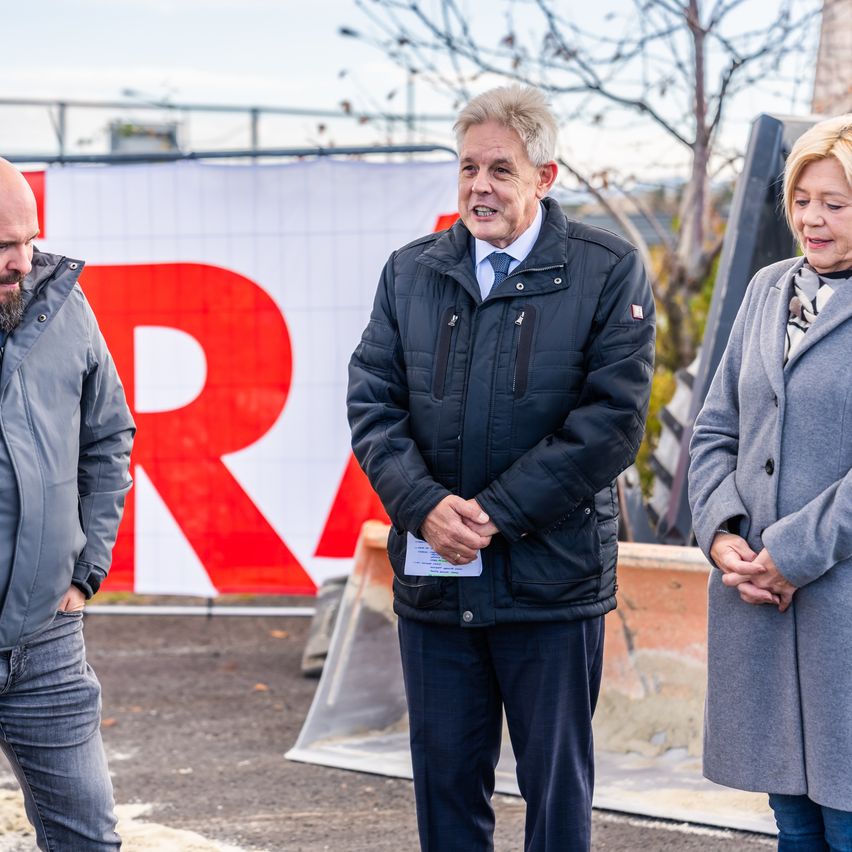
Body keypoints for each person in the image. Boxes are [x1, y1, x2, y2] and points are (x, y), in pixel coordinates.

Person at [347, 85, 655, 852]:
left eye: (501, 170)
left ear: (545, 178)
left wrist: (494, 515)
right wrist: (422, 505)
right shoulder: (409, 270)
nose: (479, 186)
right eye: (468, 168)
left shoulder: (607, 269)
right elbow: (373, 405)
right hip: (436, 582)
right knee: (446, 789)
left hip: (550, 585)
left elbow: (612, 423)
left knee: (557, 794)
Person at [689, 114, 852, 850]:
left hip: (838, 613)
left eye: (836, 203)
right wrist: (723, 536)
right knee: (793, 824)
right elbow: (715, 428)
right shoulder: (765, 289)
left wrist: (791, 552)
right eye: (803, 199)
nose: (812, 219)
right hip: (756, 603)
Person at [0, 158, 135, 849]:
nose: (19, 261)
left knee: (88, 840)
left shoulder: (64, 304)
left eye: (27, 239)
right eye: (0, 245)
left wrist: (87, 573)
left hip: (45, 642)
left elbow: (109, 437)